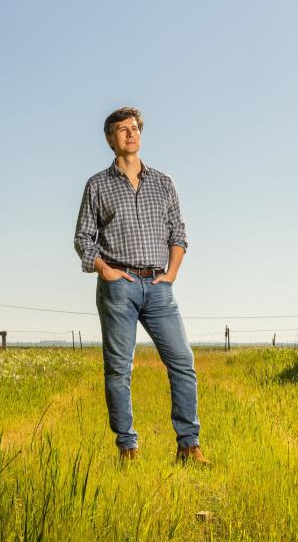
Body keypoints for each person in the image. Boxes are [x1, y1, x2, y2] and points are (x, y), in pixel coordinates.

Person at [74, 106, 209, 465]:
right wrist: (104, 269)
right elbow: (84, 239)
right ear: (110, 140)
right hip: (119, 284)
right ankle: (128, 448)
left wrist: (173, 272)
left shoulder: (164, 182)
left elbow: (179, 232)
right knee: (119, 369)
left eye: (134, 128)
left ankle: (188, 446)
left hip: (159, 285)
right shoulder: (97, 185)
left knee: (182, 362)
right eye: (122, 129)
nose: (130, 134)